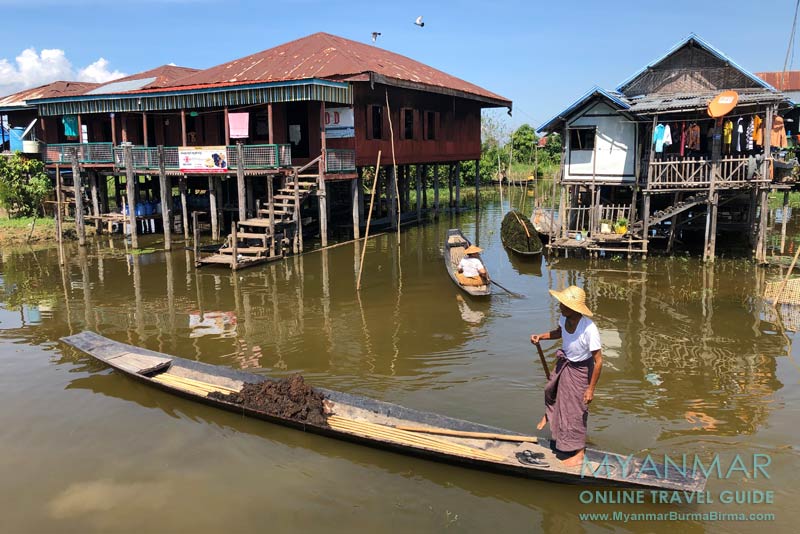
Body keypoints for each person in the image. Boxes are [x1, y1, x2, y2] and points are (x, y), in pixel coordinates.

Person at [530, 285, 603, 467]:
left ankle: (579, 452)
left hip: (580, 370)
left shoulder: (589, 329)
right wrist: (541, 336)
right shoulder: (564, 318)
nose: (560, 306)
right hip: (566, 364)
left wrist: (590, 389)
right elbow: (559, 333)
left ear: (573, 308)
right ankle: (551, 415)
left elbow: (599, 361)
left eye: (563, 304)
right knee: (551, 390)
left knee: (577, 410)